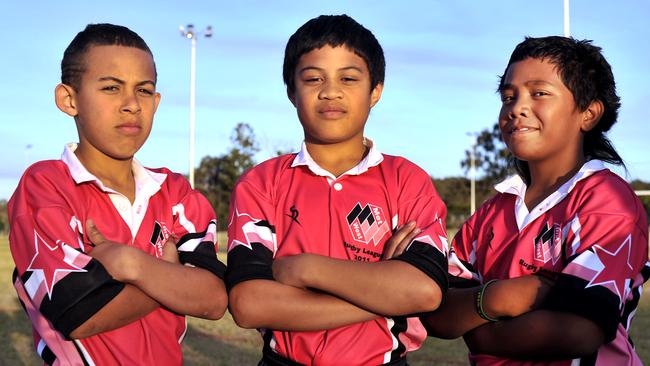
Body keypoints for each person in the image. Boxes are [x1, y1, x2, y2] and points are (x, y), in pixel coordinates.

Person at [226, 14, 448, 366]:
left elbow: (423, 291)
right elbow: (249, 305)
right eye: (313, 78)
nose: (331, 91)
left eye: (348, 78)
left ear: (375, 91)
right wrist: (383, 289)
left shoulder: (407, 180)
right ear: (291, 92)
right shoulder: (261, 183)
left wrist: (304, 269)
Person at [415, 36, 649, 365]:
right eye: (508, 96)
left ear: (588, 113)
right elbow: (437, 313)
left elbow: (579, 330)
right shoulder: (492, 211)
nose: (517, 108)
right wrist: (494, 300)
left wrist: (481, 333)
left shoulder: (607, 201)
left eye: (538, 93)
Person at [8, 23, 228, 365]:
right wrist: (171, 276)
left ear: (156, 102)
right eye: (111, 88)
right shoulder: (45, 186)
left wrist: (133, 264)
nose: (131, 104)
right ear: (69, 99)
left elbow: (214, 299)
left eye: (143, 90)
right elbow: (78, 314)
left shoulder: (174, 191)